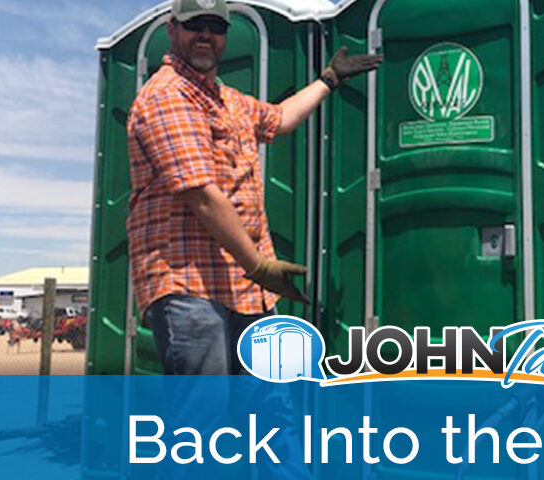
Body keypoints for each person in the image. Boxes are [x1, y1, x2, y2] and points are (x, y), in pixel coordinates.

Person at [127, 0, 381, 376]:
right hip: (190, 286)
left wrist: (329, 80)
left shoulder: (225, 99)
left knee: (267, 399)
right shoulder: (167, 95)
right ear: (172, 29)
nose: (206, 35)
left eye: (216, 27)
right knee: (206, 406)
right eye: (195, 24)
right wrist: (260, 266)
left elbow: (281, 118)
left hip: (242, 286)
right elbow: (202, 195)